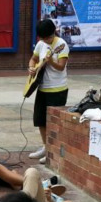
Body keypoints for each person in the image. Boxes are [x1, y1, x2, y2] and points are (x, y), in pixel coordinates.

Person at [27, 19, 69, 163]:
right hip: (42, 87)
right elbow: (33, 59)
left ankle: (52, 151)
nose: (46, 41)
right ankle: (46, 147)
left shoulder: (61, 45)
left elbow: (61, 67)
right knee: (40, 120)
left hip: (57, 89)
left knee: (53, 122)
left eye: (48, 38)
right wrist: (32, 67)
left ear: (53, 33)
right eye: (43, 38)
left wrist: (50, 61)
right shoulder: (40, 44)